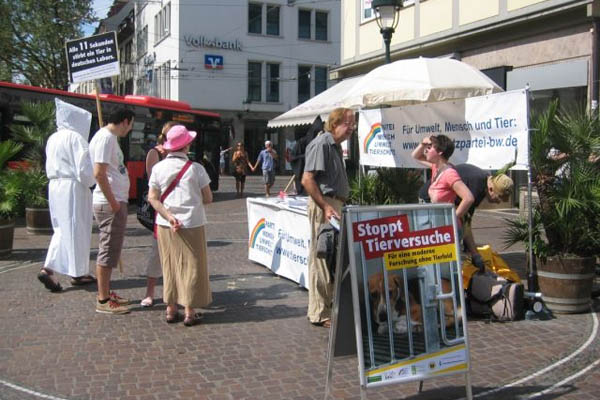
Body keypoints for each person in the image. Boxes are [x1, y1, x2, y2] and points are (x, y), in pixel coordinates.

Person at [148, 124, 213, 326]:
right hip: (192, 222)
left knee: (169, 265)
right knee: (192, 266)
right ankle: (189, 311)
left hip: (166, 224)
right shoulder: (197, 169)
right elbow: (208, 198)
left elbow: (153, 198)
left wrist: (169, 216)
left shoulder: (158, 168)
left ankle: (170, 308)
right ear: (186, 146)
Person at [301, 107, 355, 328]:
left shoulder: (333, 146)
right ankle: (320, 313)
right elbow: (307, 179)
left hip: (333, 204)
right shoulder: (322, 144)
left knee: (330, 258)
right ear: (335, 123)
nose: (352, 128)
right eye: (349, 123)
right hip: (326, 205)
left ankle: (327, 307)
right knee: (321, 258)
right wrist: (324, 206)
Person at [37, 99, 96, 292]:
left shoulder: (53, 138)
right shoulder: (75, 138)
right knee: (76, 229)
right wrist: (93, 181)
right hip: (73, 187)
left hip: (55, 185)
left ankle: (59, 268)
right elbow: (84, 169)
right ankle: (74, 272)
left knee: (62, 229)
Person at [419, 163, 514, 269]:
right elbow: (464, 223)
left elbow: (466, 221)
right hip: (431, 200)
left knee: (454, 235)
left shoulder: (483, 182)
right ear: (491, 189)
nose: (498, 202)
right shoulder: (476, 186)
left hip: (443, 202)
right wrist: (475, 254)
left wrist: (473, 253)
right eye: (499, 198)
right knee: (441, 243)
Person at [89, 108, 135, 314]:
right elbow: (99, 173)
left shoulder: (110, 138)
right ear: (125, 121)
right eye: (131, 124)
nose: (131, 128)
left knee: (111, 250)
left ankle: (106, 292)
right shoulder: (106, 138)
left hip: (115, 201)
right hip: (110, 203)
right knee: (107, 251)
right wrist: (114, 203)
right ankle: (103, 299)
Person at [411, 134, 474, 239]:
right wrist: (422, 144)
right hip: (438, 228)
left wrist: (451, 218)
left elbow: (468, 198)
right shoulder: (436, 167)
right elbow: (415, 156)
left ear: (440, 152)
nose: (426, 150)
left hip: (449, 231)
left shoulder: (449, 173)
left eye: (430, 148)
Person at [140, 121, 175, 307]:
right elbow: (153, 185)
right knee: (157, 252)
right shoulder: (155, 153)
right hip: (161, 210)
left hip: (178, 211)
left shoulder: (183, 156)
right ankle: (150, 293)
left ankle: (175, 293)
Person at [289, 116, 323, 196]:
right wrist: (306, 157)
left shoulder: (318, 142)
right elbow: (293, 158)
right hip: (303, 172)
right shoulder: (301, 143)